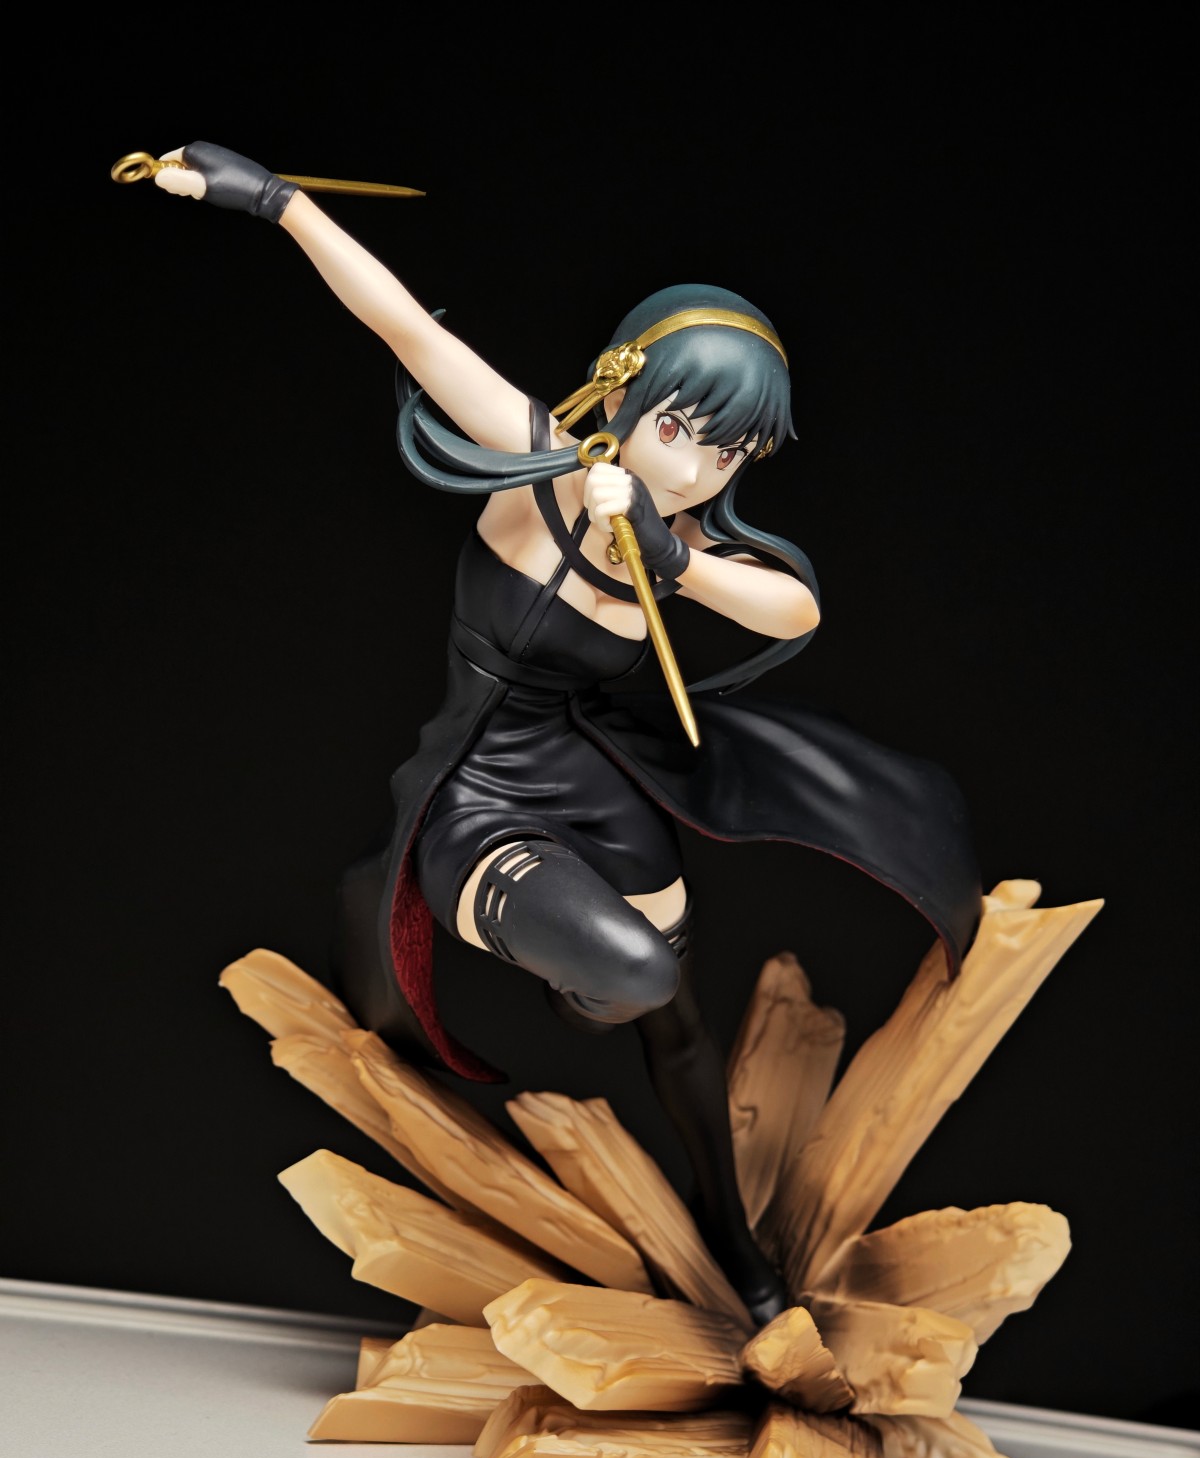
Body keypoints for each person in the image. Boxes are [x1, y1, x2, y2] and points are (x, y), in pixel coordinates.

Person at [149, 143, 982, 1325]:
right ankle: (578, 974)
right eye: (684, 431)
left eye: (731, 452)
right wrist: (279, 202)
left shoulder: (688, 538)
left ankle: (730, 1235)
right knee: (635, 972)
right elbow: (404, 327)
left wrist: (672, 551)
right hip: (479, 798)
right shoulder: (533, 461)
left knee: (673, 1010)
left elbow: (795, 608)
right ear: (626, 396)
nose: (701, 468)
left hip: (595, 786)